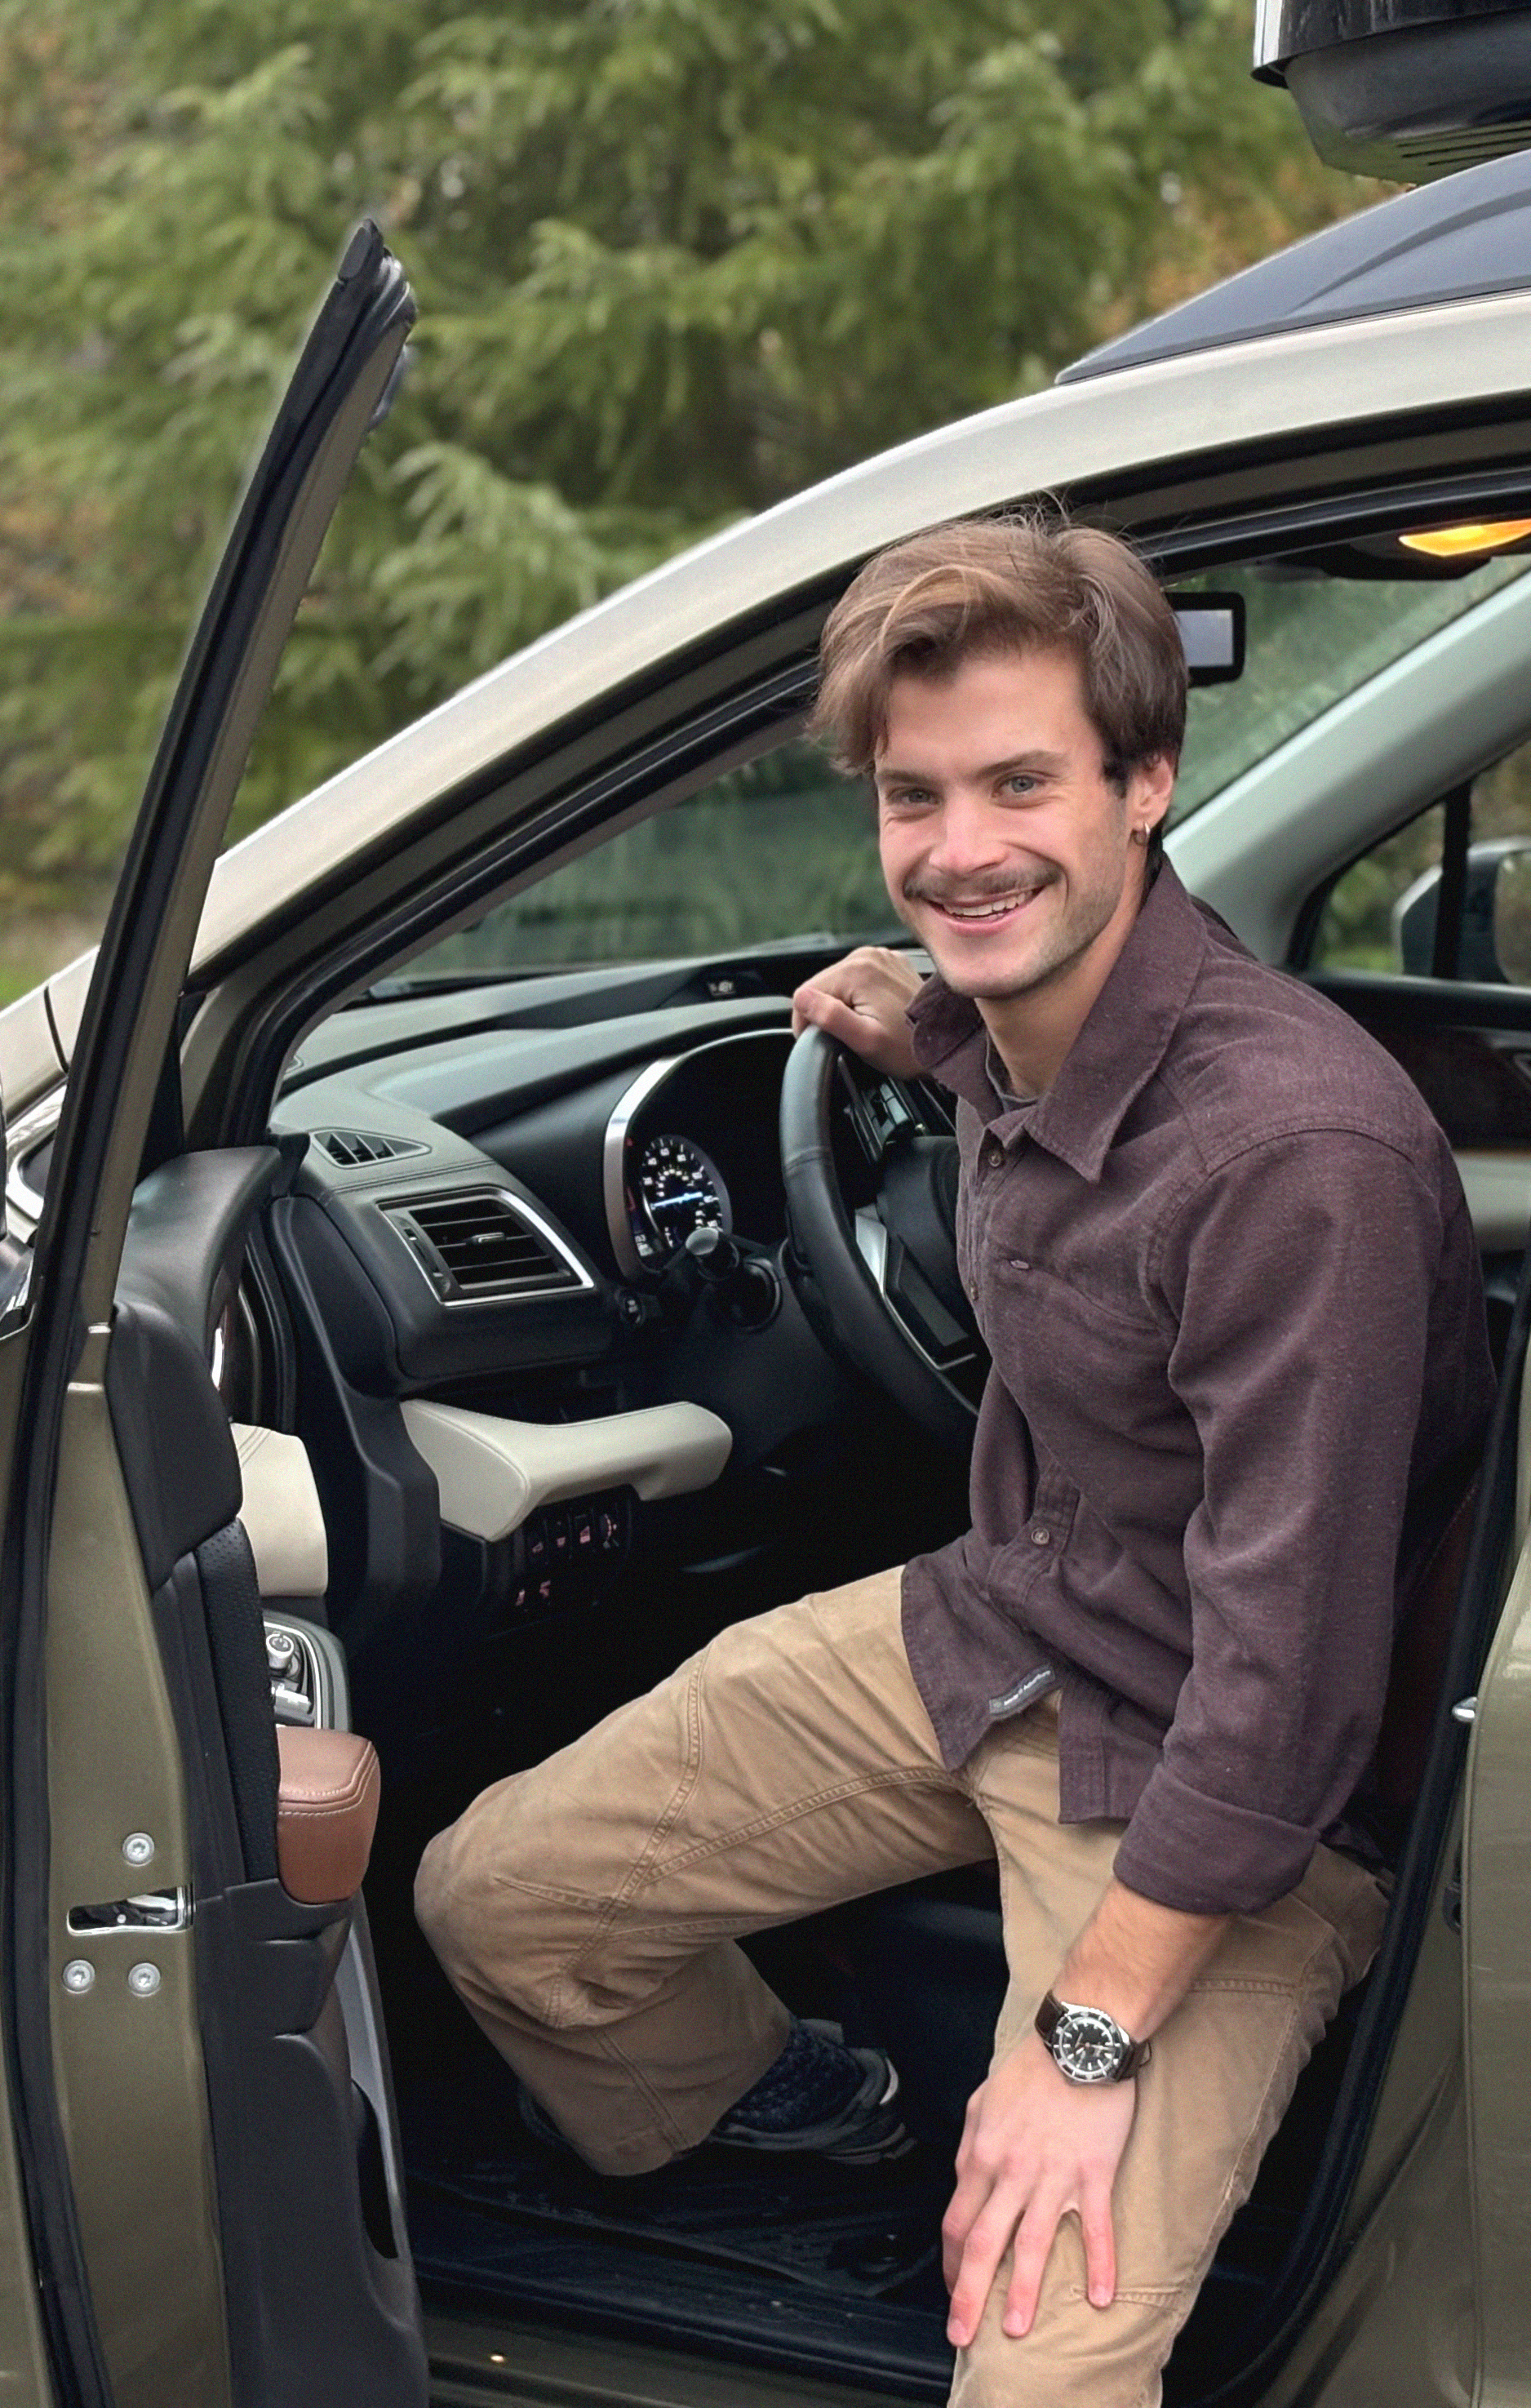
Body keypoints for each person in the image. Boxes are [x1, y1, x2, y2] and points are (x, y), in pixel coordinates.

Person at [416, 516, 1494, 2407]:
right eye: (911, 797)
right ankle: (800, 2114)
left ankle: (1012, 2155)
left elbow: (1284, 1693)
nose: (957, 848)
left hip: (1225, 1789)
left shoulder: (1291, 1161)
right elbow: (1041, 1079)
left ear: (1143, 784)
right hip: (1008, 1623)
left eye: (1019, 785)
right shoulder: (1019, 1033)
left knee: (1037, 2379)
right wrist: (921, 1026)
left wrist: (1079, 2052)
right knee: (497, 1905)